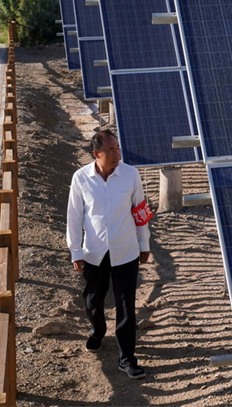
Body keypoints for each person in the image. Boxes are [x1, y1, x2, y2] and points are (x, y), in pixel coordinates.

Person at [67, 129, 153, 379]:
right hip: (94, 252)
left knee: (125, 305)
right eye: (111, 150)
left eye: (118, 148)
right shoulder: (81, 178)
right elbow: (74, 216)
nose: (117, 154)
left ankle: (127, 358)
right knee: (93, 300)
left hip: (125, 250)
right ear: (97, 154)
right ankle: (97, 330)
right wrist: (75, 250)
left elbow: (139, 210)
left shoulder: (131, 175)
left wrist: (144, 243)